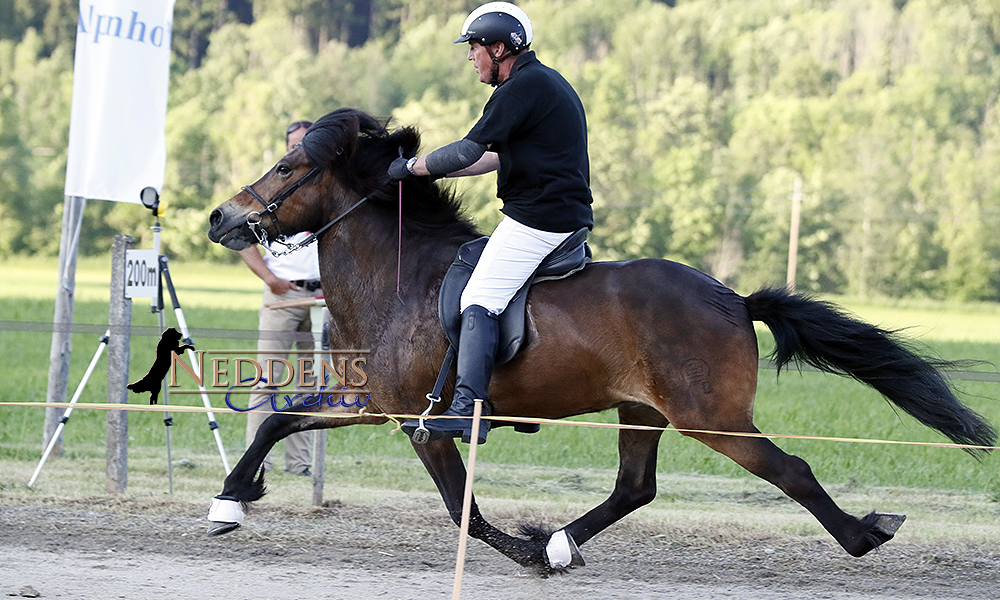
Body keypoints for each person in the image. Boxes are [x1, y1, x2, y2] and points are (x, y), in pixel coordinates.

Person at [389, 2, 593, 445]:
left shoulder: (522, 87)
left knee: (479, 298)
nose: (470, 57)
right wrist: (423, 172)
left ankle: (467, 409)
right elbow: (488, 158)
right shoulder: (538, 83)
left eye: (475, 48)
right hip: (549, 212)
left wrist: (412, 168)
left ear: (499, 48)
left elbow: (464, 150)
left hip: (541, 218)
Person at [240, 120, 319, 475]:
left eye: (303, 142)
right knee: (268, 379)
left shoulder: (324, 190)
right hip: (282, 296)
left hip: (322, 299)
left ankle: (300, 464)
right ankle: (257, 461)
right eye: (291, 144)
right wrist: (270, 279)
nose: (295, 148)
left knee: (310, 384)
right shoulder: (273, 189)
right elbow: (242, 238)